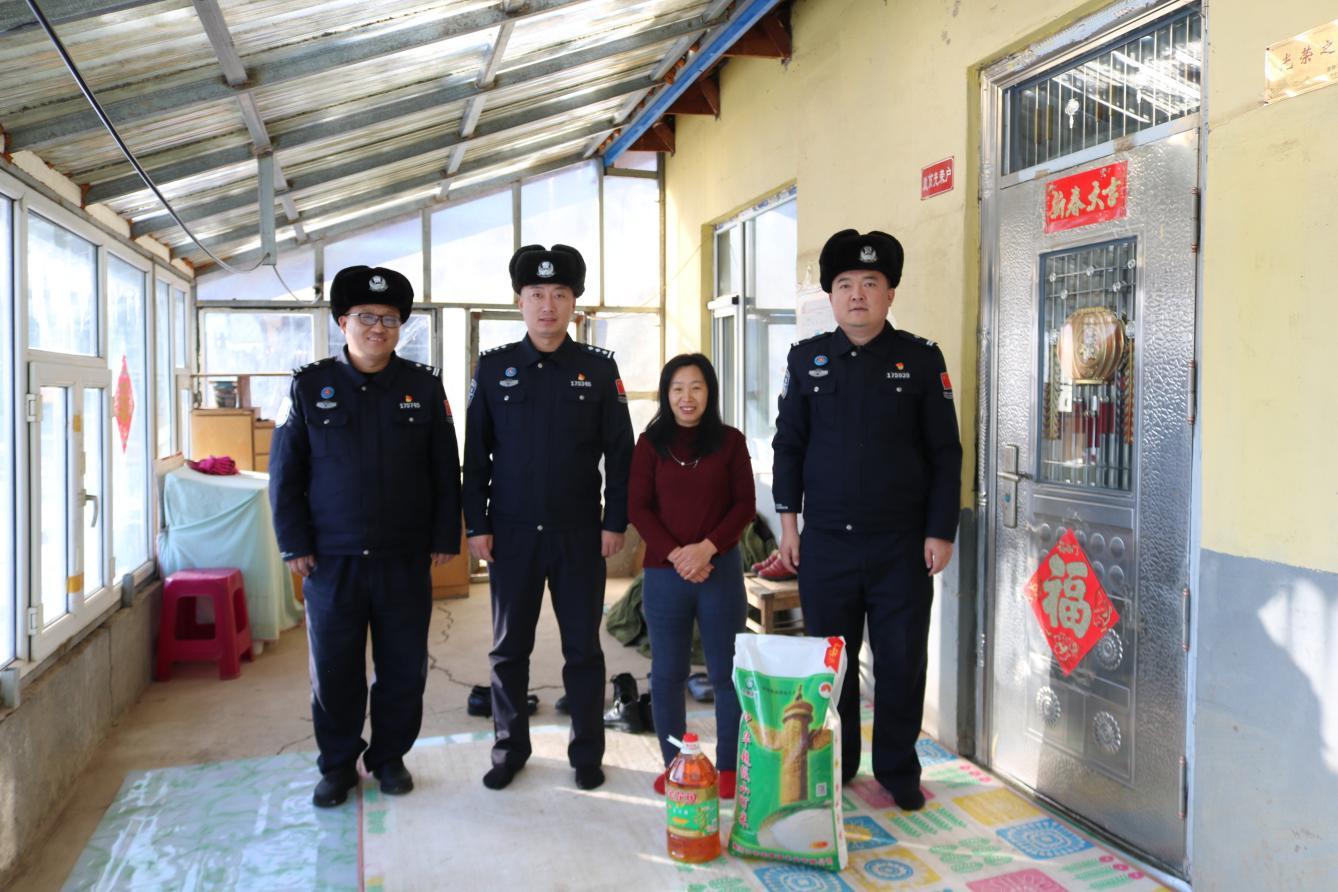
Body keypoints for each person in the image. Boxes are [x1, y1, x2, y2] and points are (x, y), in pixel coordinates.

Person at [772, 229, 962, 811]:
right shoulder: (806, 359)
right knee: (832, 663)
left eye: (870, 283)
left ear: (890, 293)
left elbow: (945, 452)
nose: (857, 295)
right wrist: (788, 525)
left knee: (901, 663)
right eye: (845, 284)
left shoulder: (920, 360)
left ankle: (898, 770)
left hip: (901, 546)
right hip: (827, 544)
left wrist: (940, 530)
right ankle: (840, 760)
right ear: (831, 295)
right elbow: (789, 446)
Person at [269, 265, 461, 808]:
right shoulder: (309, 387)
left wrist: (444, 535)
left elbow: (445, 469)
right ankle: (337, 765)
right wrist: (294, 543)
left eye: (390, 319)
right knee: (335, 671)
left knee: (403, 668)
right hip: (332, 559)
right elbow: (285, 474)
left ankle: (390, 757)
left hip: (404, 557)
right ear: (342, 322)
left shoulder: (423, 387)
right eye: (367, 317)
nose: (378, 328)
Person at [463, 244, 634, 792]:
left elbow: (621, 452)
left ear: (573, 304)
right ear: (520, 301)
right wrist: (476, 524)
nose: (547, 305)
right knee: (509, 649)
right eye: (536, 294)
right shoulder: (494, 369)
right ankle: (509, 748)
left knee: (582, 648)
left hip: (578, 533)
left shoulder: (598, 369)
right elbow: (475, 454)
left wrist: (615, 521)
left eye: (559, 294)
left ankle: (587, 753)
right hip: (511, 533)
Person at [628, 354, 755, 799]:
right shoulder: (650, 444)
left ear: (710, 392)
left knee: (726, 673)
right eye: (677, 388)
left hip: (720, 573)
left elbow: (744, 504)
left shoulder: (731, 442)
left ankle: (728, 768)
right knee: (667, 673)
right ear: (666, 394)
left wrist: (706, 548)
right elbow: (638, 508)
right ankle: (675, 765)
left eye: (696, 387)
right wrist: (678, 555)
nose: (687, 397)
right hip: (665, 576)